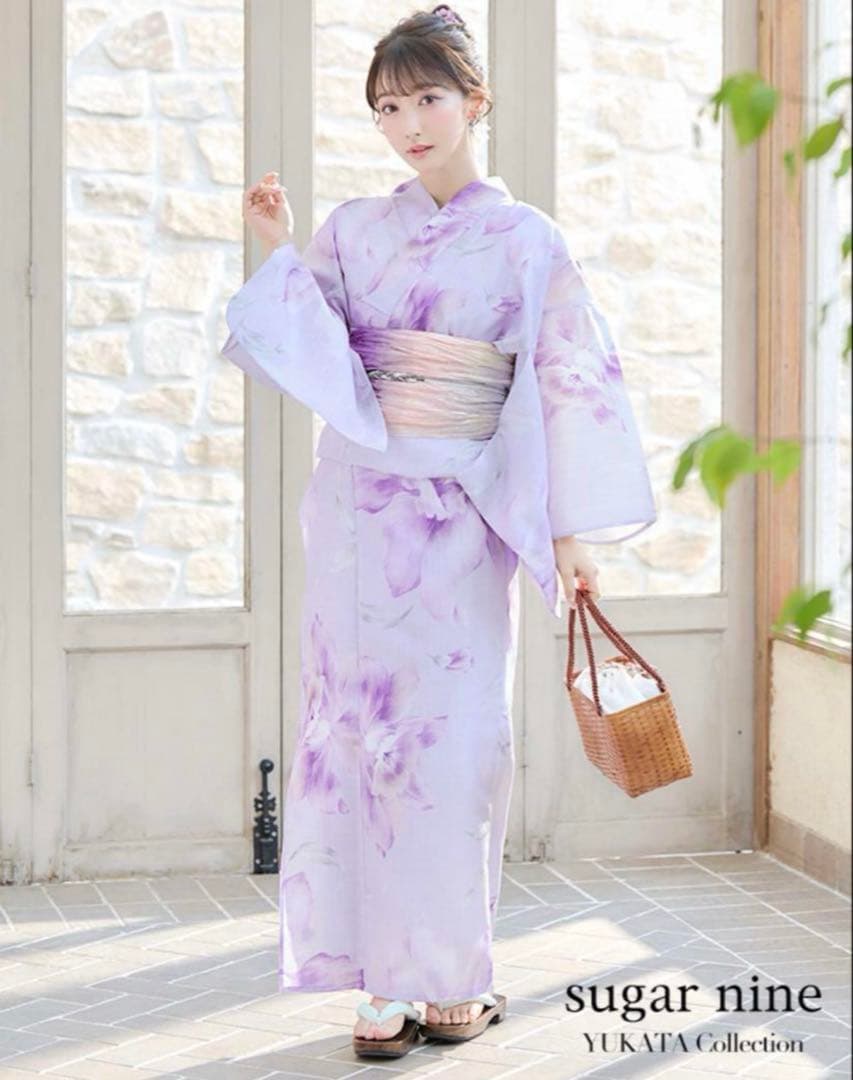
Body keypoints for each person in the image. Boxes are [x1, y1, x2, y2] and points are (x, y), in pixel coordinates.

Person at [221, 3, 656, 1060]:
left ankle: (452, 971)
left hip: (464, 514)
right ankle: (377, 986)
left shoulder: (527, 240)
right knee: (354, 738)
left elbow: (566, 381)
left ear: (473, 100)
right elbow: (315, 350)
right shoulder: (353, 229)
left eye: (426, 98)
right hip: (358, 509)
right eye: (386, 107)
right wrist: (278, 249)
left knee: (453, 745)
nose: (407, 124)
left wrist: (568, 535)